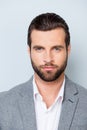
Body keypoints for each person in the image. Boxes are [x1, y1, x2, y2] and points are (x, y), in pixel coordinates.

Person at [0, 12, 87, 130]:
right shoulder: (3, 103)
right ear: (29, 51)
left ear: (68, 49)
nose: (48, 59)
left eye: (56, 49)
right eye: (39, 49)